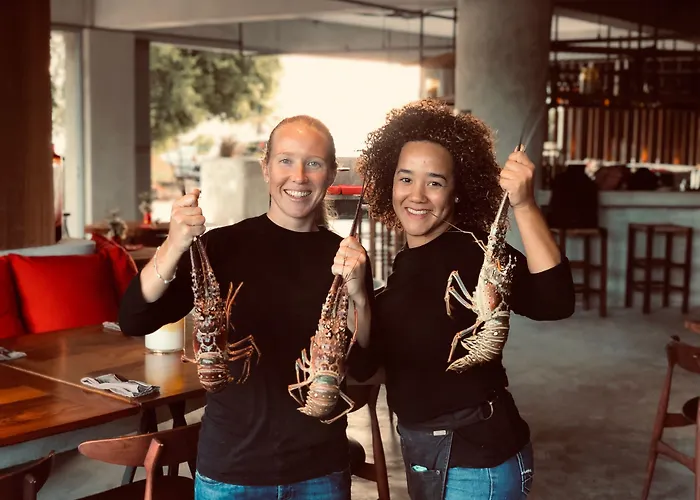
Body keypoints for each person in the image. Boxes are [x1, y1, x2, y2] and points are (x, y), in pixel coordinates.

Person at [118, 115, 373, 500]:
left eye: (314, 163)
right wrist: (173, 246)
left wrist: (361, 298)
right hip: (232, 471)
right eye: (286, 160)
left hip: (320, 470)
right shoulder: (222, 247)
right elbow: (134, 318)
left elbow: (366, 364)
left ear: (332, 173)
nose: (299, 176)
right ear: (265, 167)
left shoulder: (346, 257)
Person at [351, 99, 576, 500]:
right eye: (405, 179)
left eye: (435, 182)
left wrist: (524, 205)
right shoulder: (405, 264)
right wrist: (360, 299)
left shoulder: (474, 252)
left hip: (475, 461)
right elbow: (369, 366)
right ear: (389, 182)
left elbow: (555, 302)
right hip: (429, 454)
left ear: (457, 191)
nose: (417, 195)